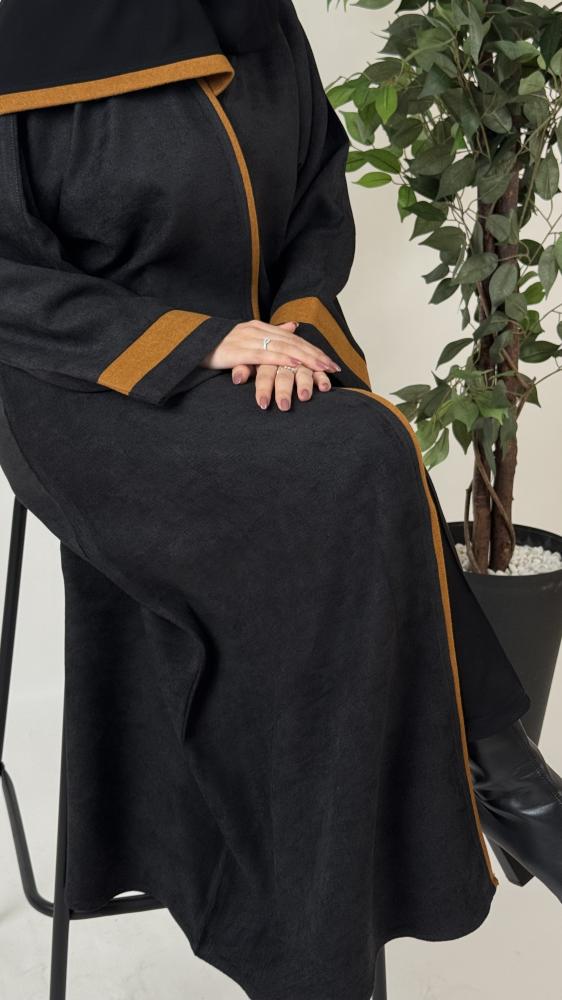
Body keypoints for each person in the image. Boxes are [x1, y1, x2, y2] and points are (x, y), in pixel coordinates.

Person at [0, 1, 559, 997]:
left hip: (264, 357)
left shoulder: (248, 10)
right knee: (358, 459)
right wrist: (196, 341)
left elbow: (314, 193)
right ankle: (507, 781)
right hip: (81, 375)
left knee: (354, 457)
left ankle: (348, 924)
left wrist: (291, 324)